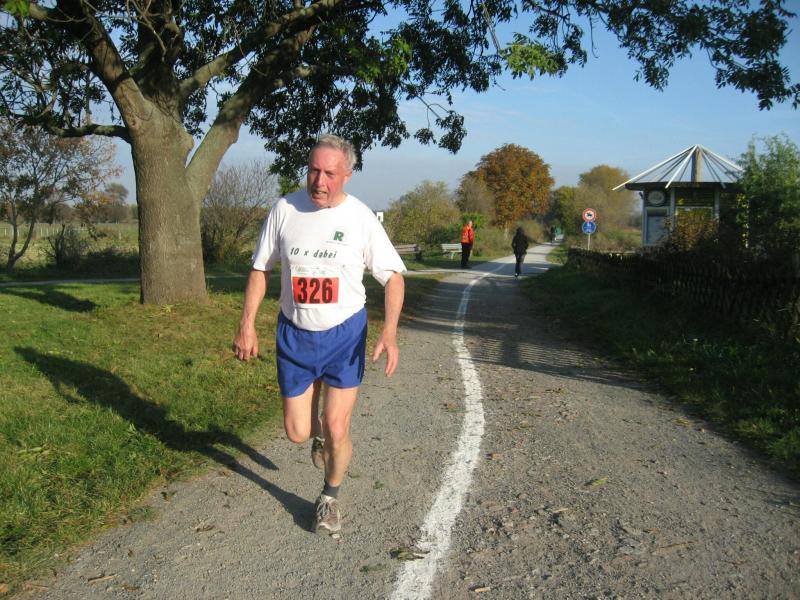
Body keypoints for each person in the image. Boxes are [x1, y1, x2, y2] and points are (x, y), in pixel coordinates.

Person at [232, 134, 406, 535]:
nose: (319, 181)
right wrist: (246, 325)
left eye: (329, 173)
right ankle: (318, 438)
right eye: (313, 170)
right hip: (295, 335)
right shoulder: (285, 209)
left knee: (337, 427)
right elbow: (260, 269)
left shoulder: (360, 218)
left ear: (347, 175)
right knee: (297, 432)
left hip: (344, 335)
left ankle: (330, 497)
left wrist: (390, 331)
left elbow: (394, 278)